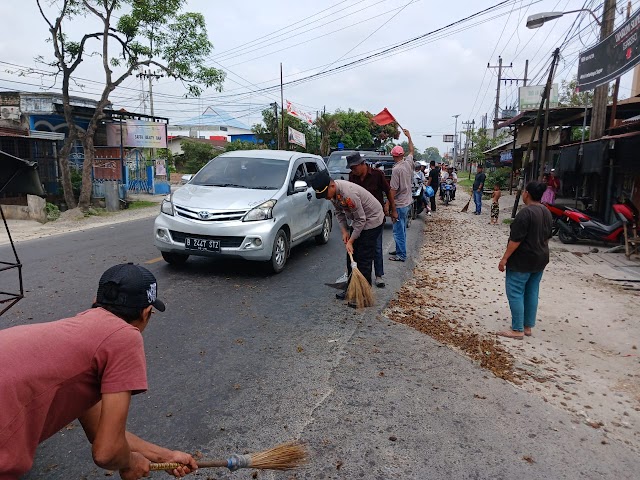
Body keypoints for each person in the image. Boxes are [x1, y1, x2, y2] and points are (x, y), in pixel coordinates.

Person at [0, 263, 197, 479]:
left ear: (96, 302)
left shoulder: (78, 336)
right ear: (146, 313)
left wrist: (164, 456)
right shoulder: (125, 337)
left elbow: (97, 429)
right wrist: (130, 462)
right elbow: (107, 451)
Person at [309, 170, 384, 306]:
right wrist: (344, 231)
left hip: (372, 221)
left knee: (363, 258)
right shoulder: (333, 195)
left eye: (325, 194)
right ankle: (351, 289)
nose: (326, 198)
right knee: (351, 256)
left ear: (331, 186)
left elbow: (362, 220)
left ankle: (364, 296)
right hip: (358, 221)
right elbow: (339, 213)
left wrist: (351, 240)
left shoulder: (348, 194)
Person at [497, 181, 553, 339]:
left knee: (515, 292)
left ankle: (517, 329)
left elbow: (515, 241)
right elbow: (548, 237)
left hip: (522, 260)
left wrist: (504, 259)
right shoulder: (546, 212)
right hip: (540, 258)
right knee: (531, 292)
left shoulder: (525, 213)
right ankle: (527, 327)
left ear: (527, 193)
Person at [347, 152, 395, 288]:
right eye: (351, 168)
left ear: (363, 164)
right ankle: (356, 279)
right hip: (359, 217)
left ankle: (378, 275)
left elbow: (388, 191)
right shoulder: (352, 177)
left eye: (355, 167)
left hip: (375, 218)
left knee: (376, 247)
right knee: (359, 249)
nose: (353, 171)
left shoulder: (377, 175)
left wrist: (392, 208)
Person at [388, 129, 414, 262]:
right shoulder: (408, 163)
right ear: (402, 155)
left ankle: (401, 254)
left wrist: (390, 206)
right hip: (407, 203)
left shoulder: (396, 169)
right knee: (402, 228)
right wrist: (409, 137)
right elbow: (412, 151)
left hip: (399, 204)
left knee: (398, 231)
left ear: (394, 156)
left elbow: (393, 190)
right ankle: (399, 249)